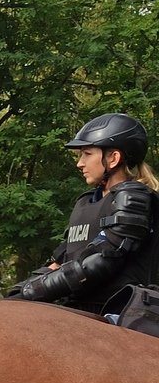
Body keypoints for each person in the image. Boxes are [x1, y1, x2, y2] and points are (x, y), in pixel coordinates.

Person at [10, 113, 159, 312]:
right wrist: (21, 290)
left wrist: (33, 291)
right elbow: (62, 259)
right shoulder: (86, 201)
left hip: (122, 313)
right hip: (81, 308)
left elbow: (102, 260)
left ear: (113, 158)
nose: (80, 163)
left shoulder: (133, 197)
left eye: (87, 154)